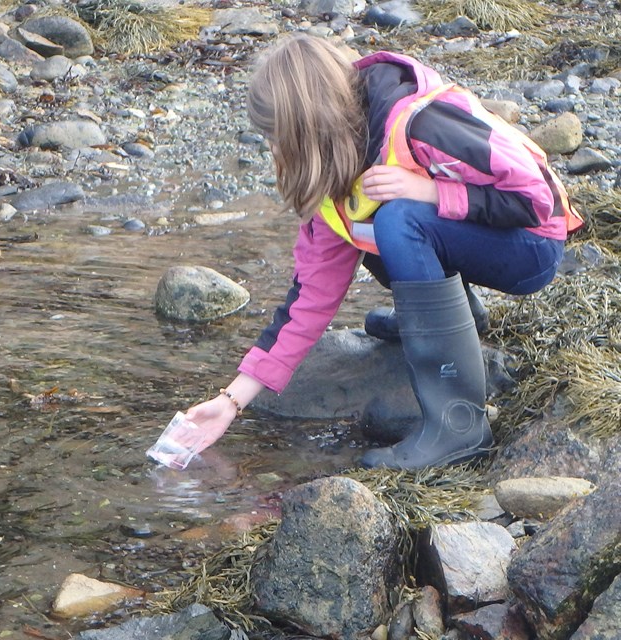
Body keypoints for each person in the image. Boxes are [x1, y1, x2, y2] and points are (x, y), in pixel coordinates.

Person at [181, 34, 583, 470]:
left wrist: (431, 191)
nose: (274, 150)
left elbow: (536, 199)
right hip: (471, 236)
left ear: (309, 128)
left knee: (397, 220)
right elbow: (309, 300)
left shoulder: (425, 124)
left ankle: (458, 427)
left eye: (277, 138)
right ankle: (455, 314)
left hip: (531, 245)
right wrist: (231, 401)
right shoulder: (339, 174)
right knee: (375, 219)